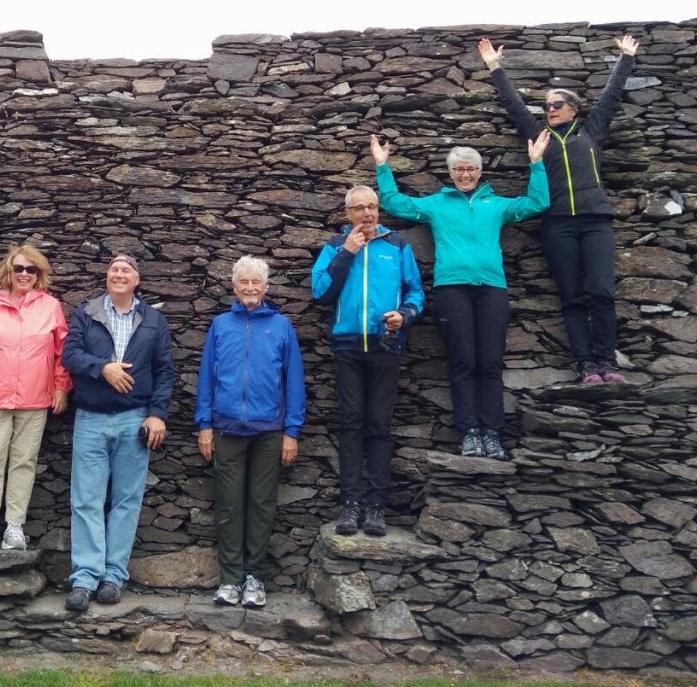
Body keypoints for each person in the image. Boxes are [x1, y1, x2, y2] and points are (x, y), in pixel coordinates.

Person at [373, 130, 551, 461]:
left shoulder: (496, 205)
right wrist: (383, 166)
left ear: (480, 172)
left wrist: (537, 163)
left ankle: (493, 434)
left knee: (490, 363)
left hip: (491, 289)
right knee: (463, 361)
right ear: (451, 173)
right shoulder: (438, 204)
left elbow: (537, 203)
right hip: (452, 288)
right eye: (459, 170)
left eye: (471, 169)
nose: (465, 175)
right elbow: (396, 203)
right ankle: (469, 432)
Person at [478, 36, 639, 384]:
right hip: (557, 226)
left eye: (557, 104)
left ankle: (607, 362)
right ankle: (586, 365)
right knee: (571, 297)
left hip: (596, 222)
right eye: (548, 105)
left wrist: (625, 57)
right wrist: (494, 66)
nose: (549, 109)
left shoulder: (591, 132)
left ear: (573, 109)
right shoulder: (539, 136)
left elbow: (611, 97)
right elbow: (514, 106)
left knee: (601, 291)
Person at [60, 254, 174, 612]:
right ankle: (84, 578)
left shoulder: (154, 320)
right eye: (113, 270)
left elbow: (165, 371)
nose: (119, 274)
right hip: (91, 416)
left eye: (126, 270)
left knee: (126, 501)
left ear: (137, 279)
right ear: (107, 278)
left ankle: (112, 576)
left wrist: (157, 415)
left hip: (134, 417)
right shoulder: (87, 312)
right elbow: (70, 355)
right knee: (86, 500)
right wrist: (102, 368)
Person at [311, 187, 425, 537]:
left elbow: (416, 292)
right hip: (347, 345)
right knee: (350, 424)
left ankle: (376, 507)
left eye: (372, 207)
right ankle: (350, 504)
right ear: (348, 214)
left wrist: (404, 315)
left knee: (379, 425)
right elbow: (320, 292)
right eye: (359, 208)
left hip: (386, 345)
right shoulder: (334, 245)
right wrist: (345, 253)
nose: (367, 214)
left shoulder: (398, 245)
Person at [196, 256, 305, 608]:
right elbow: (206, 380)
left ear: (266, 288)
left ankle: (255, 578)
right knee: (228, 506)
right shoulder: (220, 325)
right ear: (234, 286)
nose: (250, 288)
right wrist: (205, 425)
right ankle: (230, 581)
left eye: (256, 283)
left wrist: (291, 432)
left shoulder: (281, 327)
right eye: (244, 282)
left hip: (268, 431)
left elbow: (295, 383)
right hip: (226, 429)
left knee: (261, 506)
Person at [0, 245, 71, 550]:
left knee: (24, 463)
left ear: (39, 275)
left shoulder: (51, 307)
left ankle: (14, 528)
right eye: (18, 268)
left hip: (35, 399)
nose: (24, 274)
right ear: (8, 271)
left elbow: (62, 352)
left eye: (31, 270)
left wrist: (61, 386)